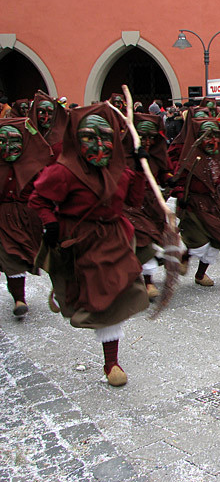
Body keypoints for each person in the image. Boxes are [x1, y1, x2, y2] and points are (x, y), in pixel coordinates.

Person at [29, 103, 149, 387]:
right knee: (86, 287)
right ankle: (63, 291)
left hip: (115, 239)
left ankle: (111, 363)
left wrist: (141, 170)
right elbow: (38, 198)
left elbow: (132, 201)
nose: (99, 144)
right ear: (76, 139)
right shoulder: (63, 171)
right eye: (89, 137)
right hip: (81, 239)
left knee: (114, 295)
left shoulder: (121, 170)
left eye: (105, 137)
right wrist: (50, 222)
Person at [172, 111, 220, 287]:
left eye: (216, 136)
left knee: (218, 239)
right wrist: (179, 194)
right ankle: (186, 255)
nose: (213, 141)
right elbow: (177, 180)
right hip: (192, 204)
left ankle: (200, 274)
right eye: (208, 137)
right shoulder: (189, 156)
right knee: (200, 242)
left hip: (214, 203)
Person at [0, 118, 53, 316]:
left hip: (29, 219)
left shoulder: (34, 166)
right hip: (3, 219)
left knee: (35, 254)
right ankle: (19, 298)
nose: (8, 146)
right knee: (11, 256)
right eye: (2, 141)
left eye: (14, 141)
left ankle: (62, 290)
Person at [121, 113, 172, 298]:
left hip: (152, 202)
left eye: (152, 137)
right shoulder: (122, 153)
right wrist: (135, 163)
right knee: (143, 240)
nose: (149, 142)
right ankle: (148, 283)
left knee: (154, 237)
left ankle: (144, 276)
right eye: (144, 137)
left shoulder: (158, 153)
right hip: (128, 205)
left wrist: (169, 180)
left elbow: (164, 171)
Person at [28, 90, 68, 159]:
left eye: (50, 113)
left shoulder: (63, 138)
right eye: (42, 112)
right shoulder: (28, 136)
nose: (46, 117)